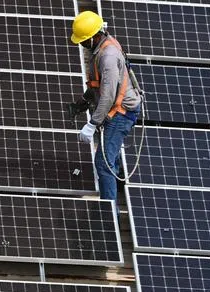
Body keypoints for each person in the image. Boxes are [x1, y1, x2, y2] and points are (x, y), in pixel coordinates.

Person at [68, 10, 143, 202]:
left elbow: (108, 95)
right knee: (110, 157)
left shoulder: (108, 56)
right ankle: (114, 197)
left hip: (120, 113)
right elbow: (98, 85)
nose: (82, 45)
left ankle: (110, 216)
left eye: (84, 40)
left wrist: (92, 123)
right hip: (116, 109)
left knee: (103, 164)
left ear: (94, 36)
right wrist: (82, 103)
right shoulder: (101, 47)